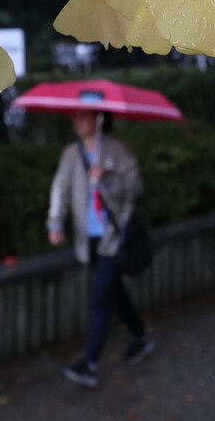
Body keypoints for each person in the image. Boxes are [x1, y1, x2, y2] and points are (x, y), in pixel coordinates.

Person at [47, 109, 155, 387]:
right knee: (114, 291)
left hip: (114, 237)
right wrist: (55, 222)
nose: (75, 121)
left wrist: (108, 177)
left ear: (98, 119)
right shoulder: (71, 154)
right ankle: (141, 338)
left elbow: (136, 186)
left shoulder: (118, 151)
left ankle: (89, 363)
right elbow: (61, 188)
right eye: (74, 117)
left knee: (99, 297)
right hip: (89, 240)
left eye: (82, 117)